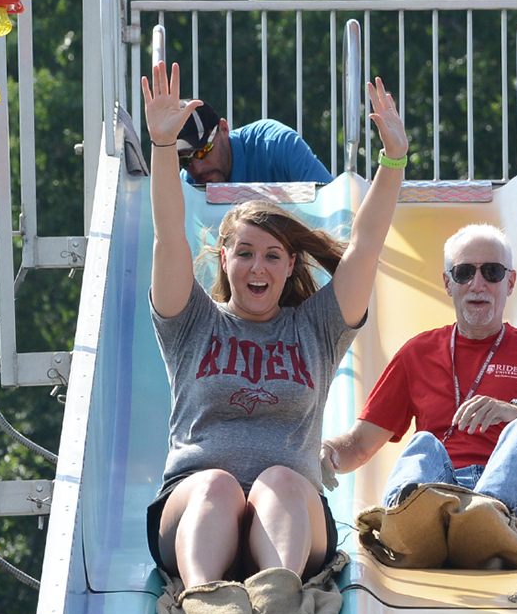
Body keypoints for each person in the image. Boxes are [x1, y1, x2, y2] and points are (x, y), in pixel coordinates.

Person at [141, 60, 407, 587]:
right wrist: (164, 148)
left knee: (280, 480)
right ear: (223, 259)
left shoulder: (316, 329)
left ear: (291, 266)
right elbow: (170, 235)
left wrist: (393, 158)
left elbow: (365, 245)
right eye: (244, 254)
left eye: (271, 256)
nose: (257, 267)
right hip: (192, 509)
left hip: (292, 516)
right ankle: (203, 599)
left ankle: (278, 596)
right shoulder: (192, 323)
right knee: (216, 485)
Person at [322, 224, 517, 533]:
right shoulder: (417, 353)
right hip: (444, 495)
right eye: (464, 273)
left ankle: (485, 521)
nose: (478, 284)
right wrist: (326, 451)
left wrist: (516, 412)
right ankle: (408, 521)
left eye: (492, 272)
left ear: (510, 282)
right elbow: (358, 446)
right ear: (448, 283)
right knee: (422, 444)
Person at [175, 102, 335, 187]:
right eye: (185, 161)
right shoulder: (187, 183)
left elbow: (331, 205)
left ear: (224, 129)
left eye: (203, 152)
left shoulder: (277, 145)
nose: (197, 169)